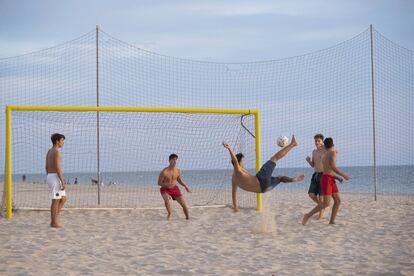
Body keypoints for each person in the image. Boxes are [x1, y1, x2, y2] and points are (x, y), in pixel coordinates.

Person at [223, 135, 305, 212]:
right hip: (261, 179)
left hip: (264, 189)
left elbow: (233, 194)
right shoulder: (238, 171)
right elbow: (234, 160)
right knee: (275, 158)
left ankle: (292, 179)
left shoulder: (234, 179)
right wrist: (229, 148)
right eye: (242, 161)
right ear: (239, 162)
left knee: (280, 178)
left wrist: (235, 207)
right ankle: (293, 144)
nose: (243, 162)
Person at [302, 137, 350, 225]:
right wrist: (343, 175)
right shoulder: (332, 153)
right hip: (327, 180)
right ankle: (307, 215)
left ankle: (332, 221)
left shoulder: (325, 154)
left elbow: (327, 170)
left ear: (325, 145)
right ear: (333, 144)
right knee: (326, 203)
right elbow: (333, 167)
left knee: (338, 201)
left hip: (329, 178)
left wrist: (336, 178)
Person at [158, 154, 192, 220]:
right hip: (165, 189)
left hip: (174, 189)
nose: (175, 161)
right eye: (173, 159)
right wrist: (166, 185)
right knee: (167, 199)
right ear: (169, 161)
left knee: (184, 205)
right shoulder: (164, 172)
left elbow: (179, 180)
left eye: (176, 160)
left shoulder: (178, 171)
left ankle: (187, 218)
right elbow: (159, 183)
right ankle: (169, 213)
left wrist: (185, 186)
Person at [45, 133, 67, 228]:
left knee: (63, 199)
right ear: (57, 141)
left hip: (50, 176)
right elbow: (58, 168)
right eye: (62, 140)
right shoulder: (56, 152)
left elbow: (46, 167)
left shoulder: (49, 151)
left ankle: (54, 220)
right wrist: (62, 181)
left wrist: (49, 177)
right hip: (54, 177)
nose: (63, 142)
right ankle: (54, 222)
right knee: (56, 200)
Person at [305, 134, 326, 219]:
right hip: (315, 175)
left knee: (321, 198)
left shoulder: (325, 150)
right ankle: (322, 206)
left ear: (322, 141)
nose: (317, 142)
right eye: (316, 141)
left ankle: (320, 217)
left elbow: (334, 150)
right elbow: (313, 165)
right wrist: (309, 161)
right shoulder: (314, 151)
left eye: (319, 141)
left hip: (323, 175)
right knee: (311, 194)